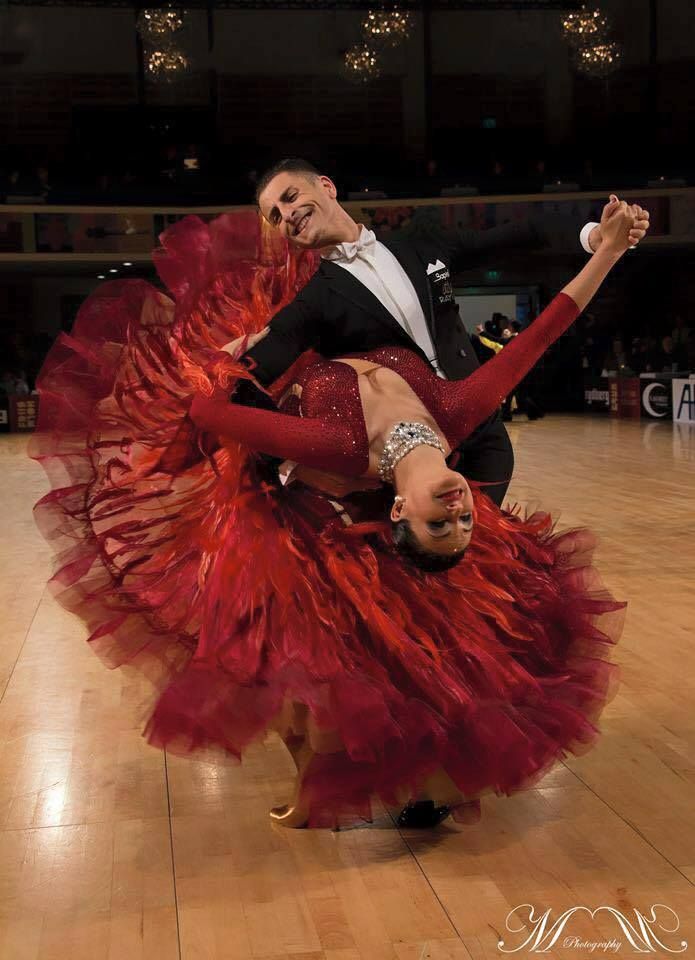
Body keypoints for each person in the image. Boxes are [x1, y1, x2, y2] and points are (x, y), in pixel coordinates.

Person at [30, 197, 642, 831]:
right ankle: (429, 761)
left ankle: (363, 766)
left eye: (442, 524)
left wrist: (224, 365)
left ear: (401, 508)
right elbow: (549, 327)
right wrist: (610, 250)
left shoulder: (340, 446)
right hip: (316, 376)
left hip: (291, 500)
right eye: (465, 525)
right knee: (425, 634)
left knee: (312, 636)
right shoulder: (460, 410)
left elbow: (209, 415)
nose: (463, 514)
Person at [229, 159, 649, 511]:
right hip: (402, 461)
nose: (286, 216)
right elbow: (247, 380)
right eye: (275, 217)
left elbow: (518, 235)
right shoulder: (313, 302)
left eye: (289, 198)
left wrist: (595, 236)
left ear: (326, 187)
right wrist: (284, 457)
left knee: (479, 569)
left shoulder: (420, 244)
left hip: (484, 438)